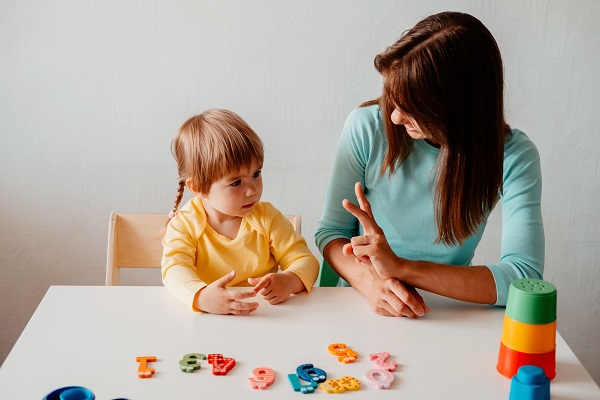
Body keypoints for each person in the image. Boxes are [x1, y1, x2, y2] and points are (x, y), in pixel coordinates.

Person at [315, 11, 544, 318]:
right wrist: (371, 284)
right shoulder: (365, 127)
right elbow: (331, 233)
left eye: (411, 108)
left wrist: (401, 268)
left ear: (455, 110)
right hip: (361, 308)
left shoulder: (514, 156)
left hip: (447, 314)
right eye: (393, 100)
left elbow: (524, 279)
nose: (395, 117)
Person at [162, 109, 319, 314]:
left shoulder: (267, 218)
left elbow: (306, 261)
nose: (252, 189)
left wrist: (290, 280)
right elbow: (173, 270)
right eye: (236, 182)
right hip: (208, 321)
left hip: (263, 318)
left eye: (256, 174)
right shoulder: (185, 224)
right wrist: (201, 297)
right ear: (198, 187)